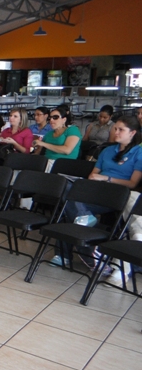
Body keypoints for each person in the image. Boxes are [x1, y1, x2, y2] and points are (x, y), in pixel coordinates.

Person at [53, 116, 142, 282]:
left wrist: (106, 179)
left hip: (116, 193)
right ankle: (84, 220)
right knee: (65, 188)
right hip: (96, 188)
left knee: (68, 209)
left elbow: (132, 183)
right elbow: (93, 173)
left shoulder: (138, 152)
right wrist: (96, 178)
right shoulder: (108, 150)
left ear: (132, 133)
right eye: (115, 128)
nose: (116, 132)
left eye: (121, 130)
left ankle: (67, 254)